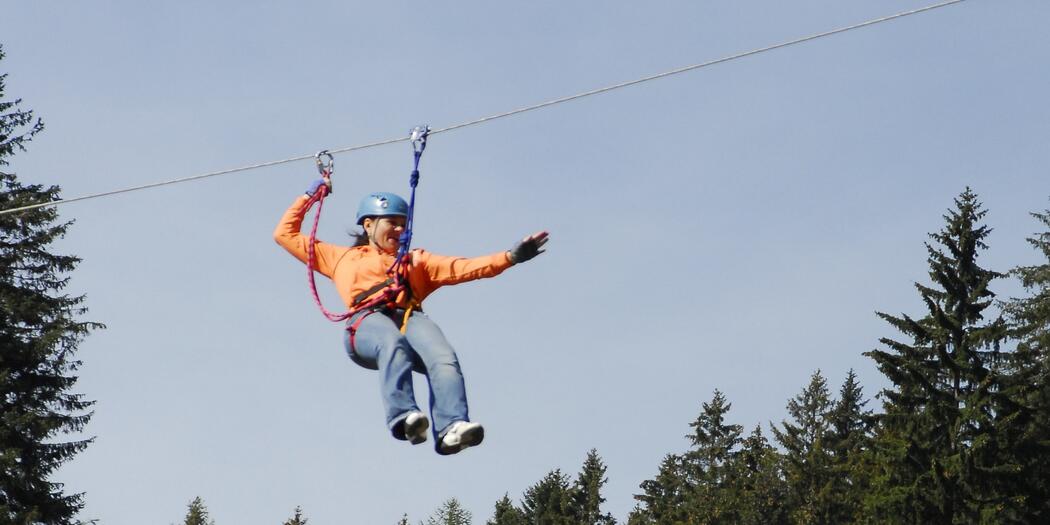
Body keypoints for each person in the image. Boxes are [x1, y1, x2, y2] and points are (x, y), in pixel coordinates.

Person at [274, 176, 548, 454]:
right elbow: (285, 234)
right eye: (391, 222)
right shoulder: (340, 257)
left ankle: (451, 427)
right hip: (366, 322)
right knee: (392, 343)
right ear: (368, 224)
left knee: (443, 357)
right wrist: (311, 195)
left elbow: (464, 267)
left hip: (409, 317)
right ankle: (404, 416)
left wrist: (510, 257)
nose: (399, 229)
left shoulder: (416, 261)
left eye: (403, 224)